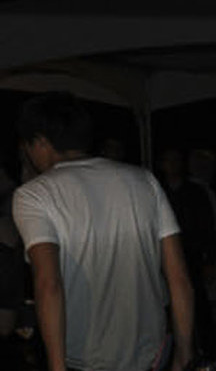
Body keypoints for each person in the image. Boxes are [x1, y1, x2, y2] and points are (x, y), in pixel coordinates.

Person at [11, 92, 196, 371]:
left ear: (40, 142)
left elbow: (48, 283)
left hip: (83, 361)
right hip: (152, 357)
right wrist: (185, 352)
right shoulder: (144, 181)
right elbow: (179, 277)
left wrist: (57, 367)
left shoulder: (34, 195)